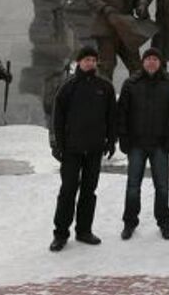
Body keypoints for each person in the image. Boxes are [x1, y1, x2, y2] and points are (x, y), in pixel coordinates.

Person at [49, 46, 117, 252]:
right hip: (71, 149)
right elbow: (57, 119)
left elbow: (111, 117)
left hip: (95, 148)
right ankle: (60, 234)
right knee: (68, 190)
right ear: (79, 62)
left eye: (94, 60)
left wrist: (111, 141)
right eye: (87, 60)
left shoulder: (104, 87)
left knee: (89, 190)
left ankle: (84, 230)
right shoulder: (67, 87)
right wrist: (57, 145)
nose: (90, 63)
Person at [117, 47, 169, 241]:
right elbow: (122, 112)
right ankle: (129, 223)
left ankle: (164, 222)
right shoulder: (131, 84)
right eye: (148, 59)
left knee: (162, 187)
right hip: (136, 144)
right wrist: (123, 137)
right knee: (132, 186)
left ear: (160, 63)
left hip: (160, 145)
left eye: (155, 59)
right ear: (143, 62)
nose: (151, 62)